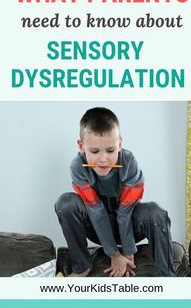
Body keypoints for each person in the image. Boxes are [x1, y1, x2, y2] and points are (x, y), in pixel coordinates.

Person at [55, 107, 174, 277]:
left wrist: (128, 253)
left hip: (129, 225)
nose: (103, 160)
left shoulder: (129, 162)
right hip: (97, 228)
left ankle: (167, 277)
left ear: (120, 144)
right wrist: (114, 254)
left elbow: (124, 213)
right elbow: (96, 212)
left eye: (110, 151)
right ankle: (82, 267)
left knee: (155, 213)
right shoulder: (77, 167)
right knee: (65, 203)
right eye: (95, 151)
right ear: (81, 146)